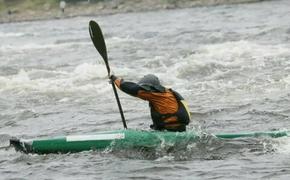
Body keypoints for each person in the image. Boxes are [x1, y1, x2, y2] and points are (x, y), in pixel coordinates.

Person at [110, 74, 191, 132]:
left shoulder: (154, 93)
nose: (144, 89)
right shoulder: (167, 92)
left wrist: (114, 78)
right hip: (179, 128)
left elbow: (130, 88)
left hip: (171, 129)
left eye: (144, 87)